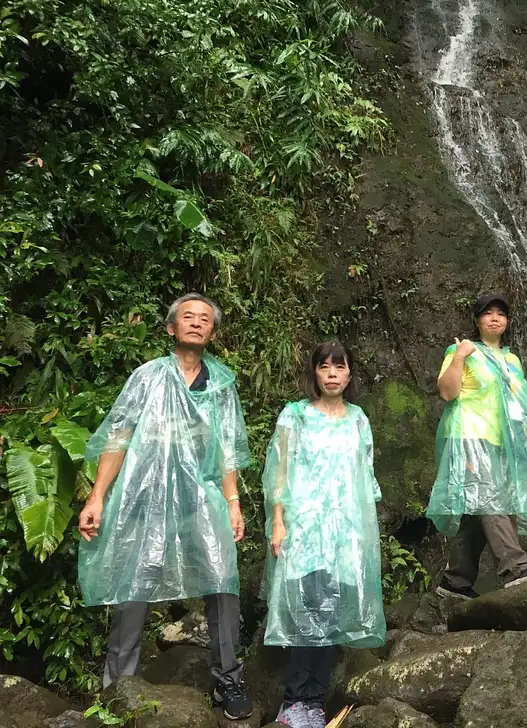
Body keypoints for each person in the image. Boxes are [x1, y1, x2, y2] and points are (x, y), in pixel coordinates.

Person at [78, 294, 253, 720]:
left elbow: (227, 449)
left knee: (222, 578)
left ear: (213, 332)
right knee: (132, 582)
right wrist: (98, 495)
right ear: (171, 328)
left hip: (201, 497)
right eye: (187, 318)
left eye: (204, 319)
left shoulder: (220, 384)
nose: (196, 323)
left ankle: (228, 678)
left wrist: (233, 502)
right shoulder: (148, 377)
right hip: (146, 494)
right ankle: (120, 684)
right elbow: (119, 435)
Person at [261, 342, 385, 728]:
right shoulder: (295, 416)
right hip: (305, 529)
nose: (332, 373)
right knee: (302, 612)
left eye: (339, 366)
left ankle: (312, 703)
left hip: (344, 533)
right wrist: (278, 521)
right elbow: (278, 471)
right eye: (324, 366)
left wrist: (364, 534)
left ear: (349, 375)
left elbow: (365, 477)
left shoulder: (358, 418)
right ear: (314, 373)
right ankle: (293, 701)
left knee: (331, 613)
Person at [429, 292, 527, 600]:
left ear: (507, 322)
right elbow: (446, 392)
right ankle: (515, 569)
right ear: (477, 320)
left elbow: (520, 403)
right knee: (491, 498)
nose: (495, 318)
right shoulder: (463, 350)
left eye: (501, 313)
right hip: (469, 436)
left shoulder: (511, 360)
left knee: (478, 505)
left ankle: (455, 581)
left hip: (501, 441)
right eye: (488, 313)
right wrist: (459, 357)